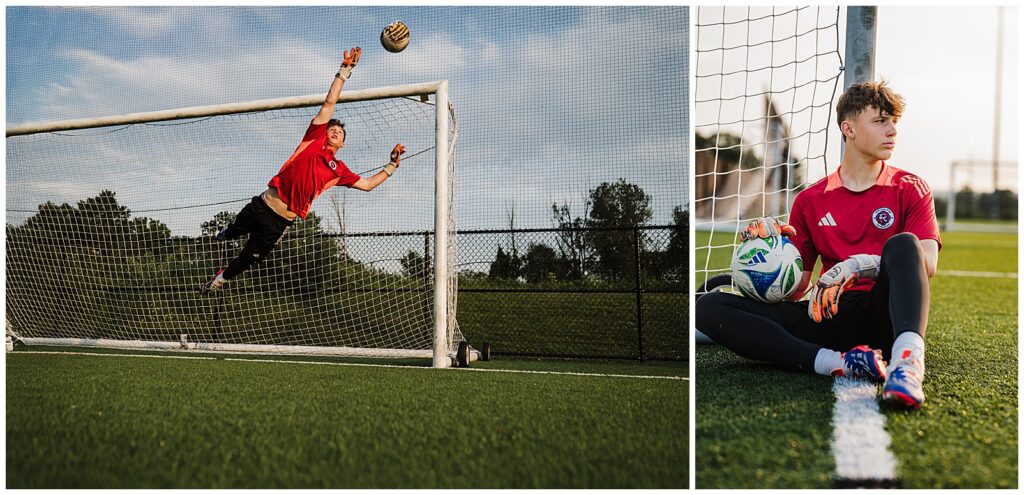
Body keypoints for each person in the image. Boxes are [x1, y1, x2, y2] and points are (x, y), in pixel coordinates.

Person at [696, 81, 940, 408]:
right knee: (708, 307)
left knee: (905, 244)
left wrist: (857, 265)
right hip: (825, 316)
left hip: (883, 314)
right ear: (848, 129)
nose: (892, 130)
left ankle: (907, 366)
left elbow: (927, 260)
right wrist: (766, 252)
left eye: (894, 121)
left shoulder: (910, 187)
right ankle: (836, 363)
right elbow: (794, 290)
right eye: (881, 121)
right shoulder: (810, 199)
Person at [200, 47, 405, 295]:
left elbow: (368, 185)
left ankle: (219, 280)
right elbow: (330, 102)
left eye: (340, 132)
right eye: (332, 128)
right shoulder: (313, 139)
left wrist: (391, 165)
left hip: (279, 222)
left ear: (343, 143)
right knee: (232, 232)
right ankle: (226, 233)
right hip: (262, 205)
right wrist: (345, 70)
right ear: (324, 132)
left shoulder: (340, 170)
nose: (335, 131)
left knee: (248, 259)